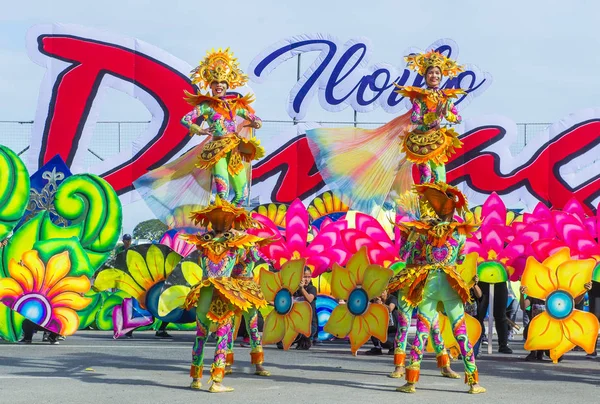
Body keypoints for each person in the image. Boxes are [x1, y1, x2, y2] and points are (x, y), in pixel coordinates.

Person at [305, 49, 466, 215]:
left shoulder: (445, 98)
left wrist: (449, 114)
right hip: (422, 144)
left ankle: (440, 213)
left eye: (437, 73)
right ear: (426, 76)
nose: (434, 76)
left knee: (440, 177)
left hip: (438, 142)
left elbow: (456, 116)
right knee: (425, 177)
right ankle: (425, 214)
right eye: (431, 72)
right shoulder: (420, 97)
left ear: (441, 76)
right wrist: (430, 117)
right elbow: (415, 118)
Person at [134, 48, 264, 222]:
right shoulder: (207, 107)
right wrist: (199, 129)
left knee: (242, 194)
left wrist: (255, 123)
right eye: (215, 83)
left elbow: (256, 119)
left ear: (227, 85)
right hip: (216, 152)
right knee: (222, 191)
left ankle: (230, 222)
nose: (219, 85)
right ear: (210, 85)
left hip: (234, 152)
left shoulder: (235, 106)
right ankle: (220, 224)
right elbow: (186, 119)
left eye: (222, 82)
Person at [395, 182, 485, 394]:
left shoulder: (424, 232)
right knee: (460, 330)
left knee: (422, 331)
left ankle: (411, 382)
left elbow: (407, 254)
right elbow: (461, 258)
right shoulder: (460, 234)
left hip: (429, 283)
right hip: (449, 283)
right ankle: (474, 382)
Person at [477, 280, 512, 354]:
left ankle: (503, 345)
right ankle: (475, 344)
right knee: (479, 315)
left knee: (501, 315)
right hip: (482, 279)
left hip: (500, 280)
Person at [365, 289, 398, 355]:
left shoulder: (392, 298)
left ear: (387, 292)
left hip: (392, 326)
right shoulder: (376, 299)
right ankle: (377, 348)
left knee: (387, 342)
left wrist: (381, 304)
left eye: (383, 292)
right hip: (380, 324)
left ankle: (393, 347)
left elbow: (390, 309)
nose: (381, 294)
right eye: (380, 292)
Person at [293, 268, 317, 350]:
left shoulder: (312, 288)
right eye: (304, 277)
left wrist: (302, 288)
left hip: (309, 325)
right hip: (295, 322)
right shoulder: (294, 290)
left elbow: (309, 299)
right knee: (281, 344)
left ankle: (306, 339)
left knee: (303, 344)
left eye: (309, 277)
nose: (307, 279)